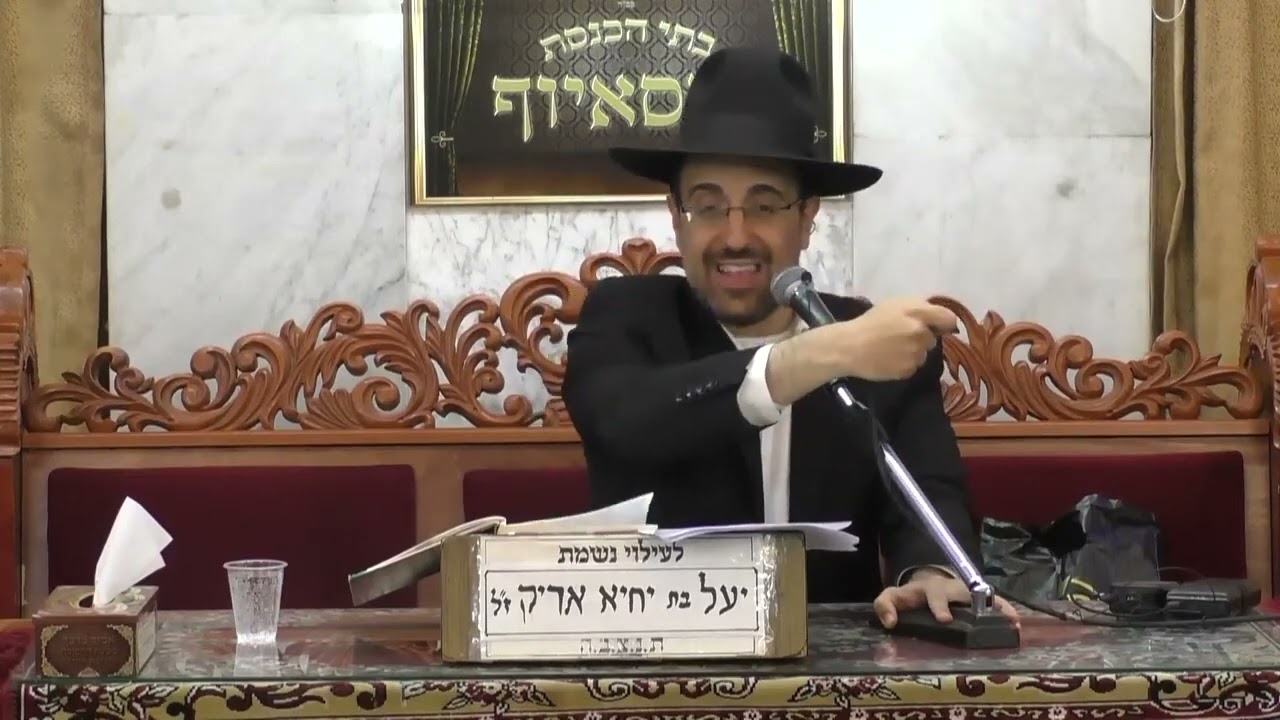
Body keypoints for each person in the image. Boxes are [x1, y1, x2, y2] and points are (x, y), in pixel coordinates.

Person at [561, 45, 1019, 629]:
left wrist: (931, 571)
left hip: (830, 662)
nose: (735, 236)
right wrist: (819, 355)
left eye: (765, 205)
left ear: (807, 217)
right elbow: (626, 421)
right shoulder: (625, 316)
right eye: (707, 206)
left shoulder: (868, 342)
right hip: (657, 651)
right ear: (676, 215)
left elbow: (929, 491)